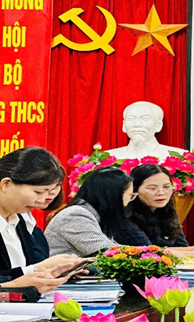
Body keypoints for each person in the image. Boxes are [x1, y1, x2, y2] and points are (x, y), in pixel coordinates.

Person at [0, 147, 89, 293]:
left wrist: (55, 270)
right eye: (38, 192)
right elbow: (16, 277)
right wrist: (35, 270)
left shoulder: (19, 220)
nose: (42, 200)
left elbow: (19, 271)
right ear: (6, 184)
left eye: (51, 192)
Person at [114, 164, 194, 255]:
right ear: (134, 190)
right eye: (152, 188)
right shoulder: (125, 216)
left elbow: (183, 248)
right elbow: (147, 253)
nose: (161, 193)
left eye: (166, 187)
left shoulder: (166, 212)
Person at [45, 167, 136, 257]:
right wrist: (142, 253)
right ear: (114, 195)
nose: (130, 201)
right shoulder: (76, 215)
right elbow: (106, 251)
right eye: (130, 195)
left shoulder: (95, 214)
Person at [106, 101, 184, 159]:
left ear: (158, 125)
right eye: (131, 118)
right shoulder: (108, 158)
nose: (136, 124)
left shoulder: (179, 157)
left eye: (145, 119)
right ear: (124, 125)